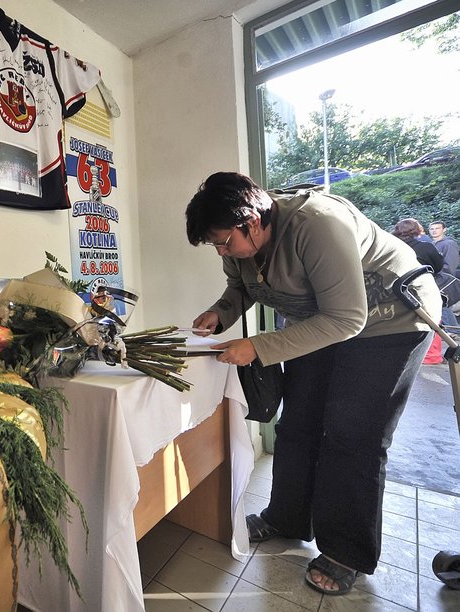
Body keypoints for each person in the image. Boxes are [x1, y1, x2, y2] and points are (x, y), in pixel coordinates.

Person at [185, 172, 439, 596]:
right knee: (298, 423)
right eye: (215, 245)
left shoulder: (317, 223)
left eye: (224, 241)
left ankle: (346, 551)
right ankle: (286, 516)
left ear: (251, 220)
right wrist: (220, 313)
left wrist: (258, 346)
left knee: (352, 435)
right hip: (318, 322)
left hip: (388, 321)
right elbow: (240, 288)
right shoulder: (236, 243)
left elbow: (348, 318)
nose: (221, 250)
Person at [392, 218, 448, 364]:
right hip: (422, 290)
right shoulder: (426, 247)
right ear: (417, 230)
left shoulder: (391, 246)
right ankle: (431, 356)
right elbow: (438, 266)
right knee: (431, 318)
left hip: (393, 290)